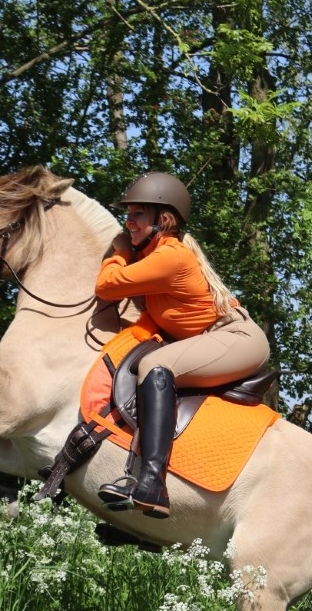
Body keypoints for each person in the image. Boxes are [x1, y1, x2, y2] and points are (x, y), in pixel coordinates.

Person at [94, 171, 270, 519]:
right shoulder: (156, 257)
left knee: (155, 367)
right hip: (216, 339)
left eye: (137, 214)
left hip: (237, 339)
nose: (129, 222)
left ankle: (153, 484)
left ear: (163, 220)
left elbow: (107, 286)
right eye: (127, 215)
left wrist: (119, 252)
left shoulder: (170, 257)